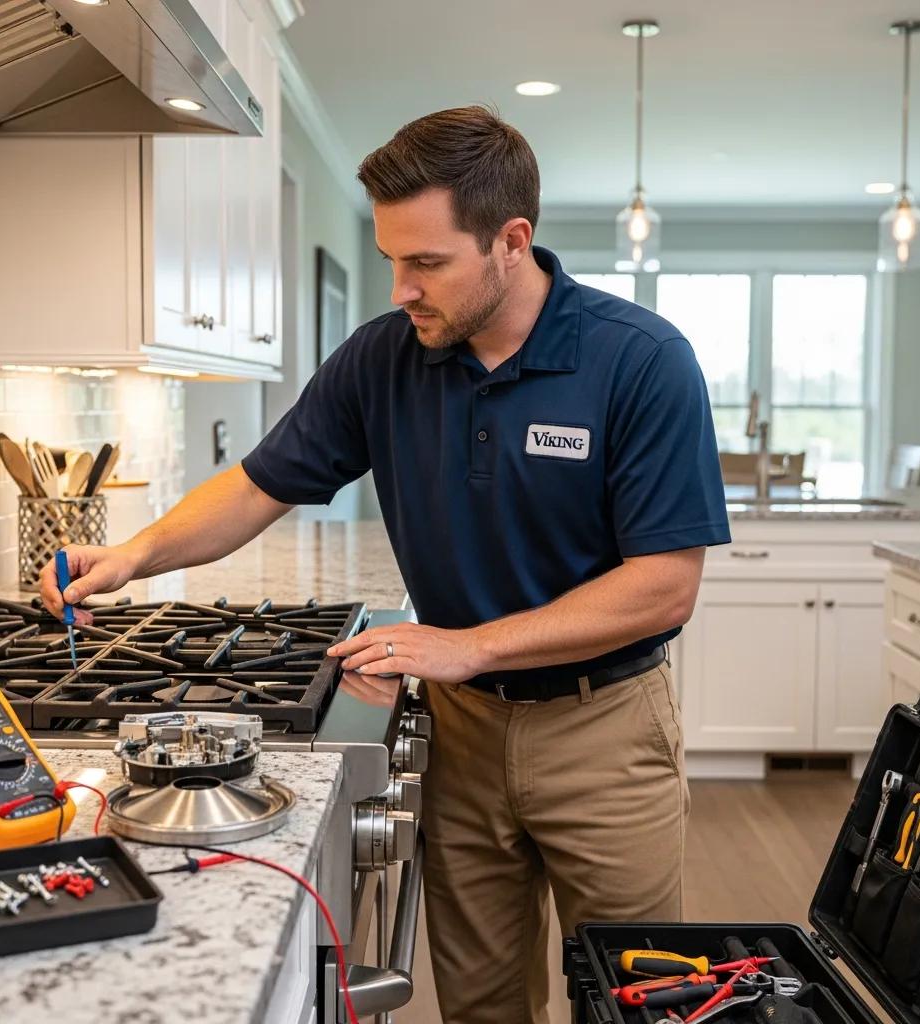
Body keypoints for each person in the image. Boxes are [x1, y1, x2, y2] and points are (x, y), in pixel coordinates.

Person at [41, 105, 731, 1023]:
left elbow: (664, 585)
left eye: (427, 262)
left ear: (510, 242)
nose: (402, 287)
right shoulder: (384, 357)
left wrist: (472, 646)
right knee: (481, 1002)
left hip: (603, 733)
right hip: (465, 734)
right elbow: (256, 486)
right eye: (391, 259)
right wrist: (136, 553)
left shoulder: (640, 361)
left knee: (641, 996)